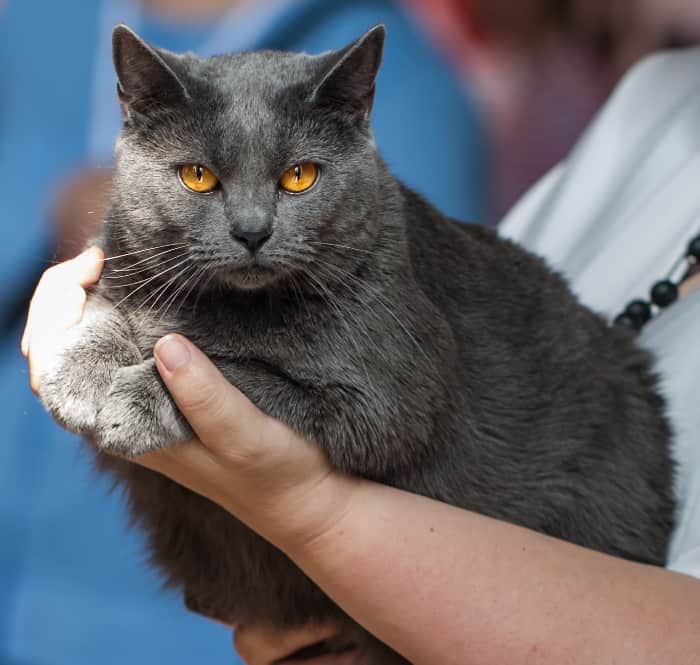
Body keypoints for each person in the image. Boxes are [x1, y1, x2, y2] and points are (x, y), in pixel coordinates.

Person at [21, 29, 700, 665]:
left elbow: (382, 418)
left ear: (357, 120)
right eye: (201, 177)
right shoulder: (658, 105)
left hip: (549, 554)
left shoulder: (366, 257)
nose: (252, 225)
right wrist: (99, 330)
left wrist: (187, 395)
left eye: (297, 178)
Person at [0, 1, 486, 663]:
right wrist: (49, 207)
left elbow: (398, 397)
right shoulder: (39, 21)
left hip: (196, 627)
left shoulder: (405, 83)